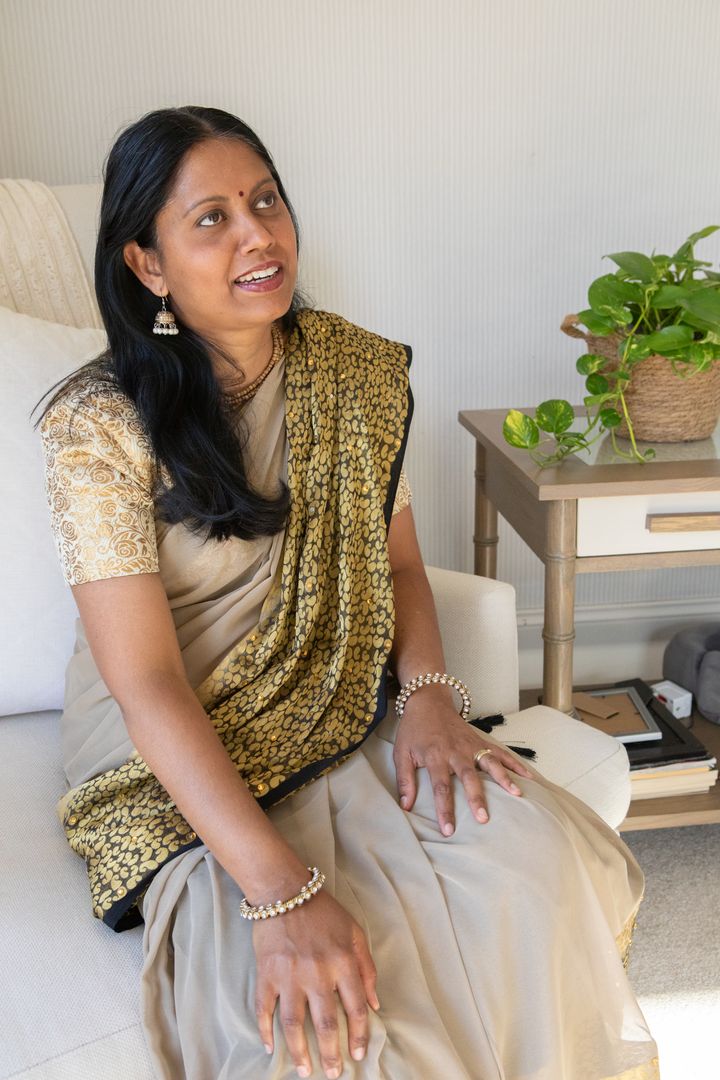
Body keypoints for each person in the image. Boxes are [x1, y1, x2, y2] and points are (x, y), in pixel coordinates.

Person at [39, 106, 659, 1080]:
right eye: (210, 218)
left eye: (266, 199)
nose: (258, 234)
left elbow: (399, 568)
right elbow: (147, 683)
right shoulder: (99, 424)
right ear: (147, 265)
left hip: (336, 701)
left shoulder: (350, 373)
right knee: (339, 1031)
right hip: (169, 736)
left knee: (535, 876)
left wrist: (429, 703)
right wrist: (281, 894)